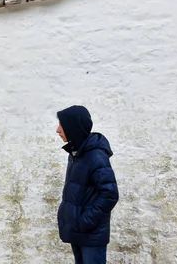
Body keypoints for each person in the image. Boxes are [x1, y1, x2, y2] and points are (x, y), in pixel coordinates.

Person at [56, 105, 119, 264]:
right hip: (77, 231)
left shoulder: (96, 156)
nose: (58, 130)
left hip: (91, 235)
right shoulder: (76, 153)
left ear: (73, 127)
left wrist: (85, 221)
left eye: (61, 125)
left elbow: (110, 194)